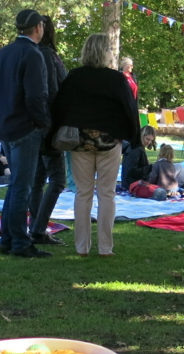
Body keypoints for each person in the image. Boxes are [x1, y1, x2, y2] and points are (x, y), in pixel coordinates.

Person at [49, 33, 140, 258]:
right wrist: (132, 137)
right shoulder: (117, 79)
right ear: (107, 52)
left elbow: (59, 108)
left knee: (83, 193)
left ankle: (82, 247)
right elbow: (130, 110)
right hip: (109, 143)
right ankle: (105, 248)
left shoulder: (74, 77)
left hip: (80, 143)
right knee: (107, 194)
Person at [0, 9, 52, 258]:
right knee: (21, 188)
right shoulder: (32, 54)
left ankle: (7, 238)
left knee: (15, 186)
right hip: (25, 127)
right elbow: (37, 96)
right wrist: (42, 123)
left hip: (6, 127)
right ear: (38, 28)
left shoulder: (2, 53)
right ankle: (20, 243)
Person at [29, 16, 68, 246]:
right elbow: (53, 92)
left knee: (38, 179)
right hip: (49, 125)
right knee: (57, 180)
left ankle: (36, 226)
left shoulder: (37, 54)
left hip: (40, 124)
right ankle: (39, 227)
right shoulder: (46, 55)